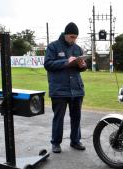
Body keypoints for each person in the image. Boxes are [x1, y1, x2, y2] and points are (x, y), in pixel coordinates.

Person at [44, 22, 87, 153]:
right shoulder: (53, 47)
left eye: (76, 37)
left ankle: (75, 141)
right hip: (59, 89)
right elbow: (48, 64)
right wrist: (66, 61)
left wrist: (83, 66)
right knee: (59, 117)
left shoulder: (78, 49)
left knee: (76, 117)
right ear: (65, 34)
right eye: (72, 36)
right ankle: (56, 143)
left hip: (77, 89)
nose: (73, 39)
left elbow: (82, 68)